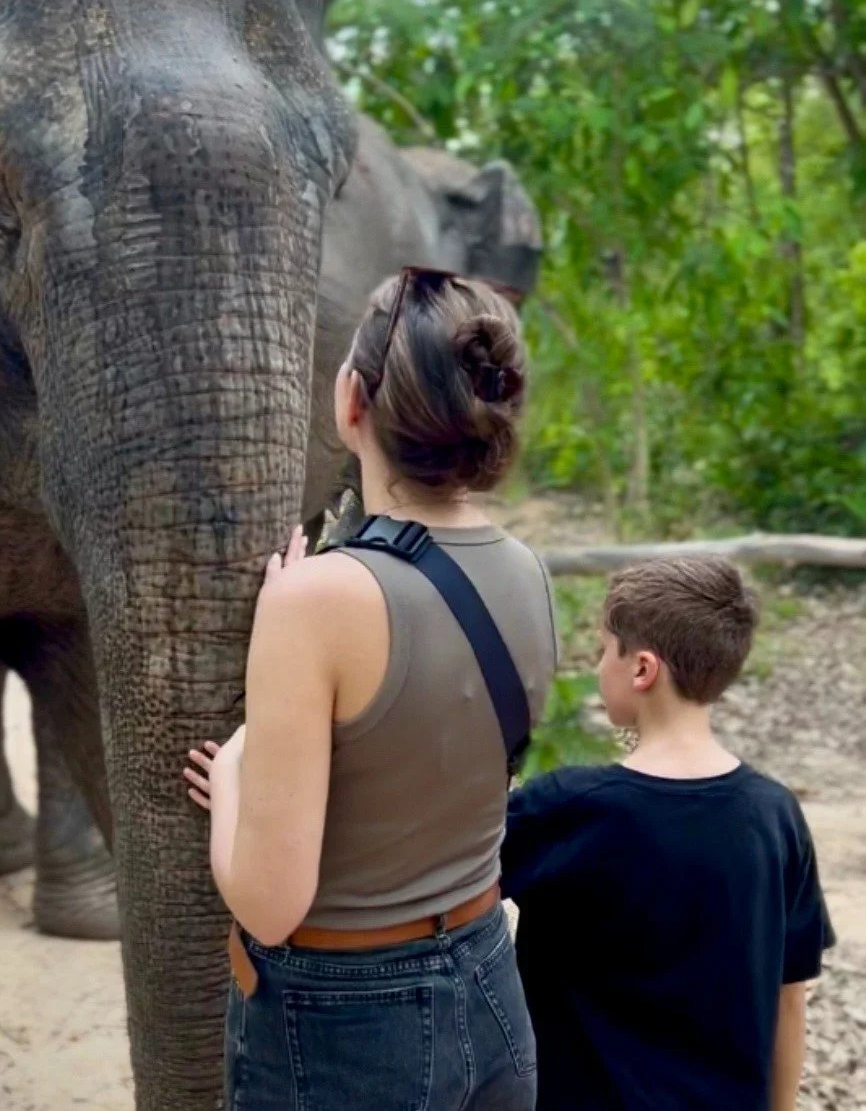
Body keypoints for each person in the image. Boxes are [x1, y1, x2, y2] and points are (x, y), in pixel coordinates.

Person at [183, 268, 557, 1110]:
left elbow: (270, 907)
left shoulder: (314, 600)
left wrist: (234, 783)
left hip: (349, 1023)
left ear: (353, 399)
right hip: (493, 980)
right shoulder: (530, 574)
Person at [501, 556, 836, 1111]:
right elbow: (789, 1001)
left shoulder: (567, 807)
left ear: (642, 669)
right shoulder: (776, 815)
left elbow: (450, 892)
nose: (599, 663)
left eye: (606, 648)